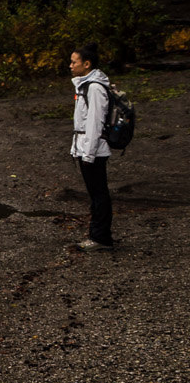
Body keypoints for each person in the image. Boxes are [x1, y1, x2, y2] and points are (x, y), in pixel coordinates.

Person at [69, 43, 115, 251]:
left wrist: (88, 154)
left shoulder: (94, 88)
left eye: (74, 62)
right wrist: (76, 149)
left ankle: (101, 238)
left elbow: (95, 123)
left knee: (99, 194)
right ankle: (97, 234)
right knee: (95, 194)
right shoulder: (84, 86)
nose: (70, 65)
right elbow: (81, 123)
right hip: (86, 147)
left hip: (94, 150)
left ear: (86, 64)